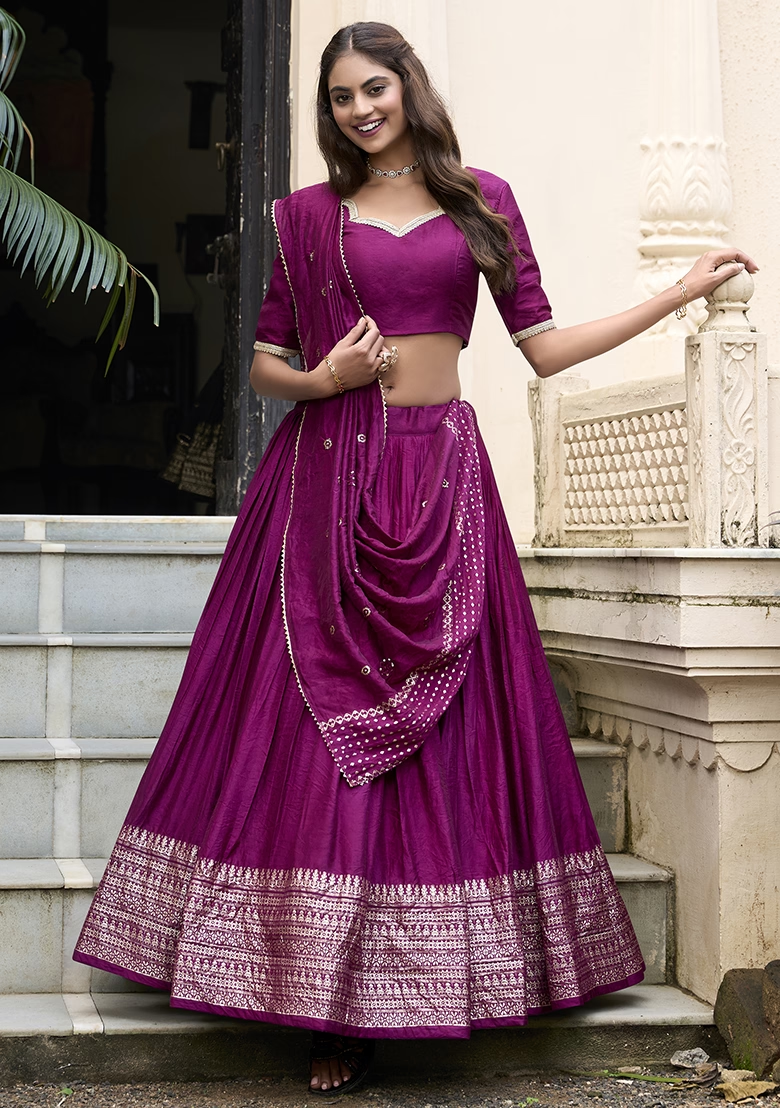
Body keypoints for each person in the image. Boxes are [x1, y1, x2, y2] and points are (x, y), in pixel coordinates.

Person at [74, 21, 757, 1098]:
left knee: (446, 741)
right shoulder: (307, 217)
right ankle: (322, 1002)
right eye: (341, 96)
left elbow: (543, 347)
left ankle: (447, 978)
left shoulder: (481, 202)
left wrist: (675, 295)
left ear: (408, 87)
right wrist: (325, 379)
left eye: (374, 87)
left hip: (439, 481)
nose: (359, 109)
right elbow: (265, 364)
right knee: (313, 740)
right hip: (324, 488)